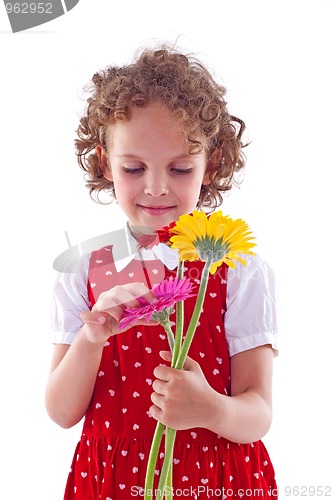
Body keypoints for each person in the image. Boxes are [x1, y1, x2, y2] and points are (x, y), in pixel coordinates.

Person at [46, 44, 278, 499]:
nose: (155, 187)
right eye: (133, 168)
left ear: (210, 165)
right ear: (103, 162)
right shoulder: (83, 269)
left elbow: (259, 413)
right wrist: (91, 338)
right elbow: (61, 411)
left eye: (179, 168)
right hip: (109, 480)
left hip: (215, 481)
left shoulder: (237, 270)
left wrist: (211, 408)